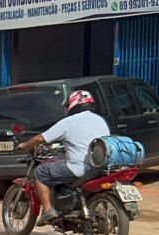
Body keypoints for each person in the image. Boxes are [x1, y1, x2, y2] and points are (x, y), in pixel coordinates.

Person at [16, 89, 110, 223]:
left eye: (67, 106)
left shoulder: (69, 122)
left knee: (40, 172)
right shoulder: (99, 120)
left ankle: (48, 211)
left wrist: (26, 145)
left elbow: (40, 138)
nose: (66, 109)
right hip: (99, 166)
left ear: (73, 103)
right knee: (59, 165)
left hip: (79, 168)